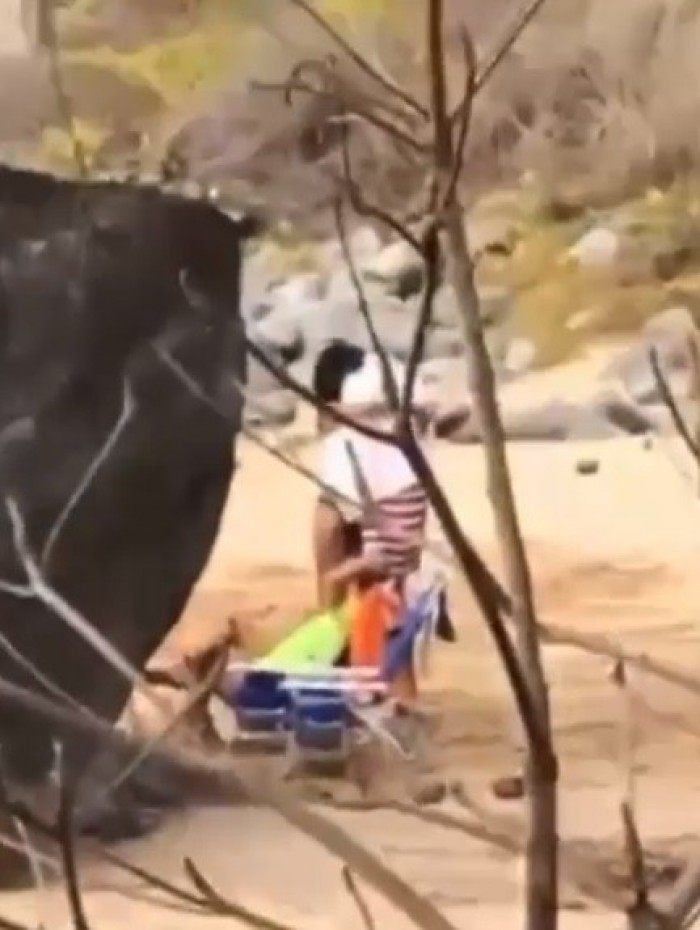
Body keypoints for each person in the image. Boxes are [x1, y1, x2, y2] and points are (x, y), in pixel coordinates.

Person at [311, 339, 433, 705]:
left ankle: (333, 667)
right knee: (388, 609)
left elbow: (330, 524)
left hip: (381, 526)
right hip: (406, 516)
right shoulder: (396, 386)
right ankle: (398, 699)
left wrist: (332, 581)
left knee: (365, 593)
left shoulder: (349, 435)